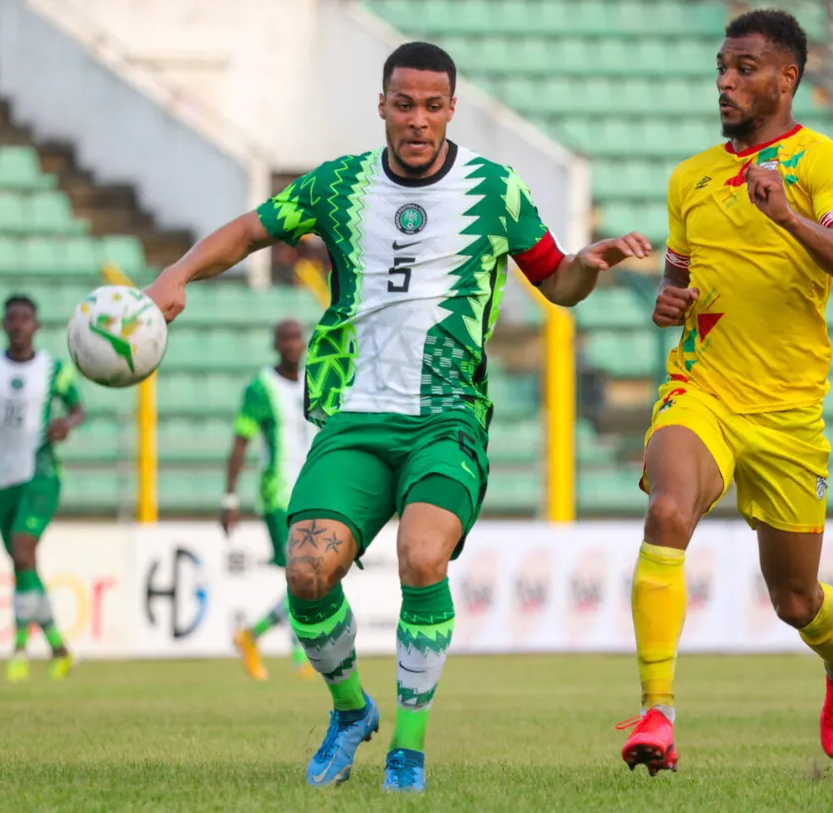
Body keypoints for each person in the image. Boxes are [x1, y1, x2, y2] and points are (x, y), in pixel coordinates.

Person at [145, 41, 650, 793]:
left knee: (422, 556)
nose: (418, 119)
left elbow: (558, 285)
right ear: (382, 105)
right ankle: (350, 710)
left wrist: (589, 262)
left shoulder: (495, 189)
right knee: (307, 570)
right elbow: (251, 229)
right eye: (404, 104)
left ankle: (407, 750)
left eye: (433, 105)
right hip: (354, 417)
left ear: (452, 108)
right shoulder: (339, 183)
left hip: (447, 419)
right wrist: (176, 274)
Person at [620, 10, 833, 774]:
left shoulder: (823, 162)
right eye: (722, 68)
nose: (726, 82)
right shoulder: (689, 177)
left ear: (786, 77)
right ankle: (656, 714)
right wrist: (670, 301)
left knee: (796, 601)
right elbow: (679, 282)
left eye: (744, 68)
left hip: (789, 411)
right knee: (667, 510)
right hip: (702, 390)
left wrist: (789, 216)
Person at [0, 295, 85, 682]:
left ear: (36, 326)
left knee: (22, 549)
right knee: (24, 566)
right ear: (4, 325)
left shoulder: (54, 369)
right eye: (12, 319)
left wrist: (66, 425)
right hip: (4, 479)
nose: (19, 324)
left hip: (41, 475)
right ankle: (57, 645)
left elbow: (78, 407)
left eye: (25, 318)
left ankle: (19, 649)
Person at [221, 318, 318, 682]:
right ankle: (289, 650)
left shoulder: (315, 381)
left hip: (312, 492)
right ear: (275, 345)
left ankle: (263, 640)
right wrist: (230, 498)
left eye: (297, 338)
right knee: (304, 576)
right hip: (278, 495)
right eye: (286, 339)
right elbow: (240, 443)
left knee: (312, 577)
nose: (293, 344)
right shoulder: (260, 388)